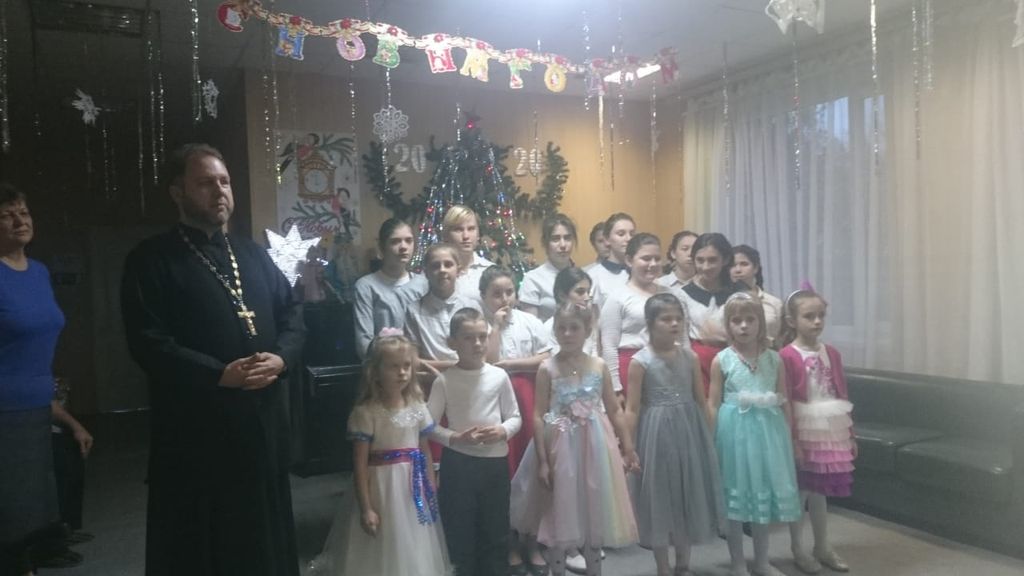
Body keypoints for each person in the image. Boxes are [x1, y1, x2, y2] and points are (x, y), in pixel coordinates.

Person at [121, 144, 305, 576]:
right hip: (197, 433)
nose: (219, 191)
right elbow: (148, 342)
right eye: (205, 183)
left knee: (263, 540)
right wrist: (218, 374)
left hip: (260, 427)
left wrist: (281, 359)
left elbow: (294, 315)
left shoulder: (254, 254)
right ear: (178, 192)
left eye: (224, 181)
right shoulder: (151, 259)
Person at [0, 182, 91, 576]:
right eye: (6, 215)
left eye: (23, 212)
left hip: (39, 408)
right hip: (5, 414)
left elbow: (34, 354)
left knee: (35, 516)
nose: (19, 220)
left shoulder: (38, 272)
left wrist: (66, 418)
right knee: (12, 521)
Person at [510, 302, 638, 576]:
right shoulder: (547, 368)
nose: (567, 333)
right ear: (554, 331)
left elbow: (614, 409)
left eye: (574, 328)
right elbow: (538, 415)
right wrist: (543, 460)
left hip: (595, 445)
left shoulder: (598, 365)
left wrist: (627, 447)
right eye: (561, 328)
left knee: (593, 511)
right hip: (558, 444)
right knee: (558, 512)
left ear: (587, 330)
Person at [308, 332, 449, 576]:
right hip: (381, 488)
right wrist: (366, 507)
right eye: (394, 366)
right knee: (384, 539)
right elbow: (359, 462)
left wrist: (430, 483)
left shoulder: (418, 407)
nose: (402, 372)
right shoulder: (367, 413)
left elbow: (424, 451)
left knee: (412, 538)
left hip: (412, 487)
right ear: (375, 371)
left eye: (406, 366)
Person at [624, 294, 724, 576]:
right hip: (655, 434)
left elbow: (701, 399)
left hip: (689, 431)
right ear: (650, 323)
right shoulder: (640, 361)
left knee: (686, 492)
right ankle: (663, 567)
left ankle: (683, 563)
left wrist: (708, 436)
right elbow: (632, 408)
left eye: (678, 319)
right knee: (660, 496)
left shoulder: (690, 357)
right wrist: (628, 446)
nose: (674, 324)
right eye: (666, 319)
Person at [708, 293, 801, 576]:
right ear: (728, 325)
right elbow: (713, 403)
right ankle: (737, 562)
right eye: (736, 320)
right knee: (735, 499)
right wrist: (710, 439)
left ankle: (762, 561)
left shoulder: (774, 359)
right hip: (733, 434)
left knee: (762, 494)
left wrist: (790, 438)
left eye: (750, 320)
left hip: (768, 434)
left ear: (761, 323)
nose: (744, 326)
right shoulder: (721, 360)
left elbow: (783, 399)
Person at [427, 308, 522, 576]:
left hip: (494, 464)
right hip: (458, 464)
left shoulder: (499, 376)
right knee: (460, 528)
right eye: (469, 338)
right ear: (452, 342)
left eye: (482, 337)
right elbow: (429, 425)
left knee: (495, 527)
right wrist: (456, 437)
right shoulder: (444, 380)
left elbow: (515, 417)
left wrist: (502, 431)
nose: (478, 344)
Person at [477, 266, 551, 574]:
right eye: (496, 294)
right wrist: (495, 326)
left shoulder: (530, 322)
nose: (504, 299)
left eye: (509, 292)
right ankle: (508, 543)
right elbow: (489, 360)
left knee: (531, 468)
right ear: (483, 296)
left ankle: (532, 541)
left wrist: (514, 363)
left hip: (528, 393)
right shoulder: (481, 324)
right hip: (496, 400)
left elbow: (546, 357)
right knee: (505, 472)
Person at [780, 290, 855, 574]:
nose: (816, 321)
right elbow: (786, 399)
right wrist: (793, 439)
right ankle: (797, 548)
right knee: (800, 491)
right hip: (803, 428)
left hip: (830, 427)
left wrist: (850, 433)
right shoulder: (786, 356)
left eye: (821, 315)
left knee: (820, 491)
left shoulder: (831, 353)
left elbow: (841, 392)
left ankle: (822, 546)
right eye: (809, 316)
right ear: (792, 320)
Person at [599, 233, 686, 397]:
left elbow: (682, 339)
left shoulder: (671, 294)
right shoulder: (617, 297)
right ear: (629, 260)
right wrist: (615, 388)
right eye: (646, 259)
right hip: (632, 369)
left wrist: (687, 371)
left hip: (669, 366)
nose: (652, 264)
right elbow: (609, 346)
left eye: (657, 259)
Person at [353, 218, 428, 359]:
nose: (403, 247)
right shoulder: (366, 286)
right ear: (382, 247)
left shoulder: (423, 284)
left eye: (408, 240)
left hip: (420, 365)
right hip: (383, 365)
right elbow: (364, 344)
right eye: (395, 241)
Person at [680, 233, 743, 395]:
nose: (706, 267)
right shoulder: (683, 294)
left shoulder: (739, 292)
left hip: (736, 359)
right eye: (700, 260)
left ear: (725, 259)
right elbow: (682, 338)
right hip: (698, 363)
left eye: (712, 260)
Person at [404, 243, 481, 374]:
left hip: (470, 378)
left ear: (458, 270)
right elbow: (414, 360)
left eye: (448, 265)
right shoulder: (414, 311)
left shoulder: (471, 306)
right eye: (435, 266)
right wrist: (458, 366)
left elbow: (480, 355)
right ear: (426, 272)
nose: (442, 270)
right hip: (431, 379)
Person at [519, 213, 577, 321]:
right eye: (555, 239)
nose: (563, 245)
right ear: (545, 243)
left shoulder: (581, 277)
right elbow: (530, 327)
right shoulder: (533, 279)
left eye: (567, 238)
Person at [730, 245, 783, 346]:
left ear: (755, 268)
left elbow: (781, 339)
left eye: (744, 264)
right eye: (732, 265)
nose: (738, 270)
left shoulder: (774, 303)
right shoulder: (723, 301)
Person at [543, 267, 600, 357]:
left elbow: (594, 355)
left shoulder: (588, 323)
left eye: (588, 292)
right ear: (562, 295)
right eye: (580, 292)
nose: (586, 297)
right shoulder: (548, 327)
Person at [443, 205, 494, 304]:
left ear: (478, 234)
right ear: (446, 235)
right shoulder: (437, 272)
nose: (466, 236)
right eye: (458, 229)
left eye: (471, 229)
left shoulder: (490, 271)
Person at [587, 213, 635, 309]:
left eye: (632, 234)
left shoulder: (640, 272)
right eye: (621, 234)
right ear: (607, 239)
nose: (628, 238)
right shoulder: (594, 276)